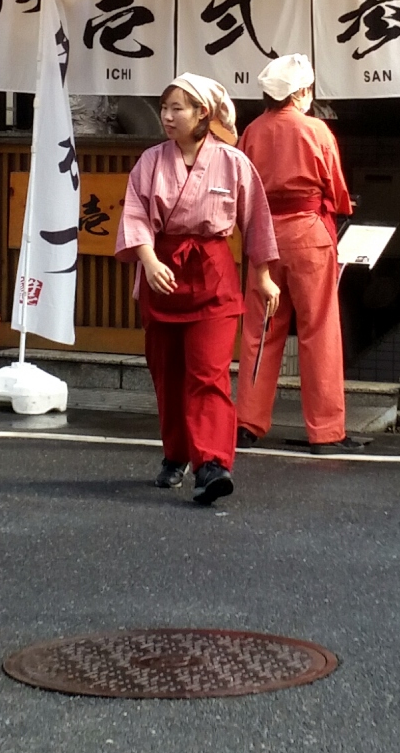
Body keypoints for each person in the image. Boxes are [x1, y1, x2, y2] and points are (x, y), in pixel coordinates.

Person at [116, 73, 279, 505]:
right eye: (164, 108)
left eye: (177, 109)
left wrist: (263, 276)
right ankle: (176, 454)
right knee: (167, 373)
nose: (167, 117)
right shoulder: (150, 161)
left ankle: (212, 464)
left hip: (212, 275)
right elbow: (135, 215)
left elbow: (256, 220)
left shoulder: (233, 161)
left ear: (202, 113)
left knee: (209, 374)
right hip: (163, 272)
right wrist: (149, 261)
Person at [236, 54, 361, 454]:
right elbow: (337, 191)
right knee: (319, 331)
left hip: (264, 238)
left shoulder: (252, 132)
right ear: (302, 92)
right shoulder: (316, 130)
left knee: (260, 331)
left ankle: (247, 423)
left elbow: (242, 190)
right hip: (309, 236)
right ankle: (325, 431)